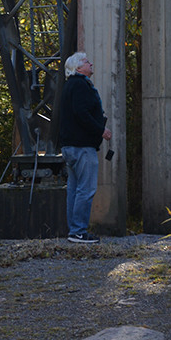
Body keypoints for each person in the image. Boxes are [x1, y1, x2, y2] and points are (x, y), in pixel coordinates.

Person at [59, 51, 112, 244]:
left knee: (74, 189)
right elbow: (82, 113)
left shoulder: (69, 86)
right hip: (82, 146)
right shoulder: (80, 85)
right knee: (86, 189)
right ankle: (78, 231)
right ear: (78, 67)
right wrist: (101, 130)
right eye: (86, 61)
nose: (91, 63)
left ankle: (74, 230)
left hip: (70, 145)